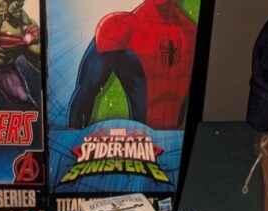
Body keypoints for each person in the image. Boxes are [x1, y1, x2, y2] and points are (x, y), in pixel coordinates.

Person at [68, 0, 197, 129]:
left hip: (172, 134)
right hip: (156, 133)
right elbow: (85, 92)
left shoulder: (191, 31)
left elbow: (84, 93)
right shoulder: (121, 27)